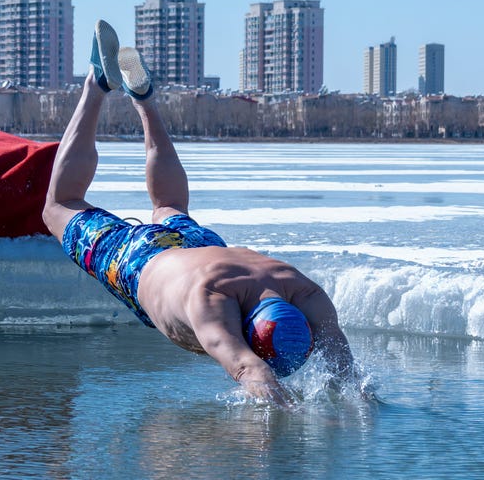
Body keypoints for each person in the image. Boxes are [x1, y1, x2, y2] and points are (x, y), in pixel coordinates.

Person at [42, 21, 359, 405]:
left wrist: (358, 399)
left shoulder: (300, 288)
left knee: (170, 207)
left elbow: (348, 372)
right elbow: (249, 370)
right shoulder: (214, 302)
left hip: (202, 247)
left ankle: (145, 100)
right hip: (140, 260)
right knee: (60, 206)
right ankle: (97, 83)